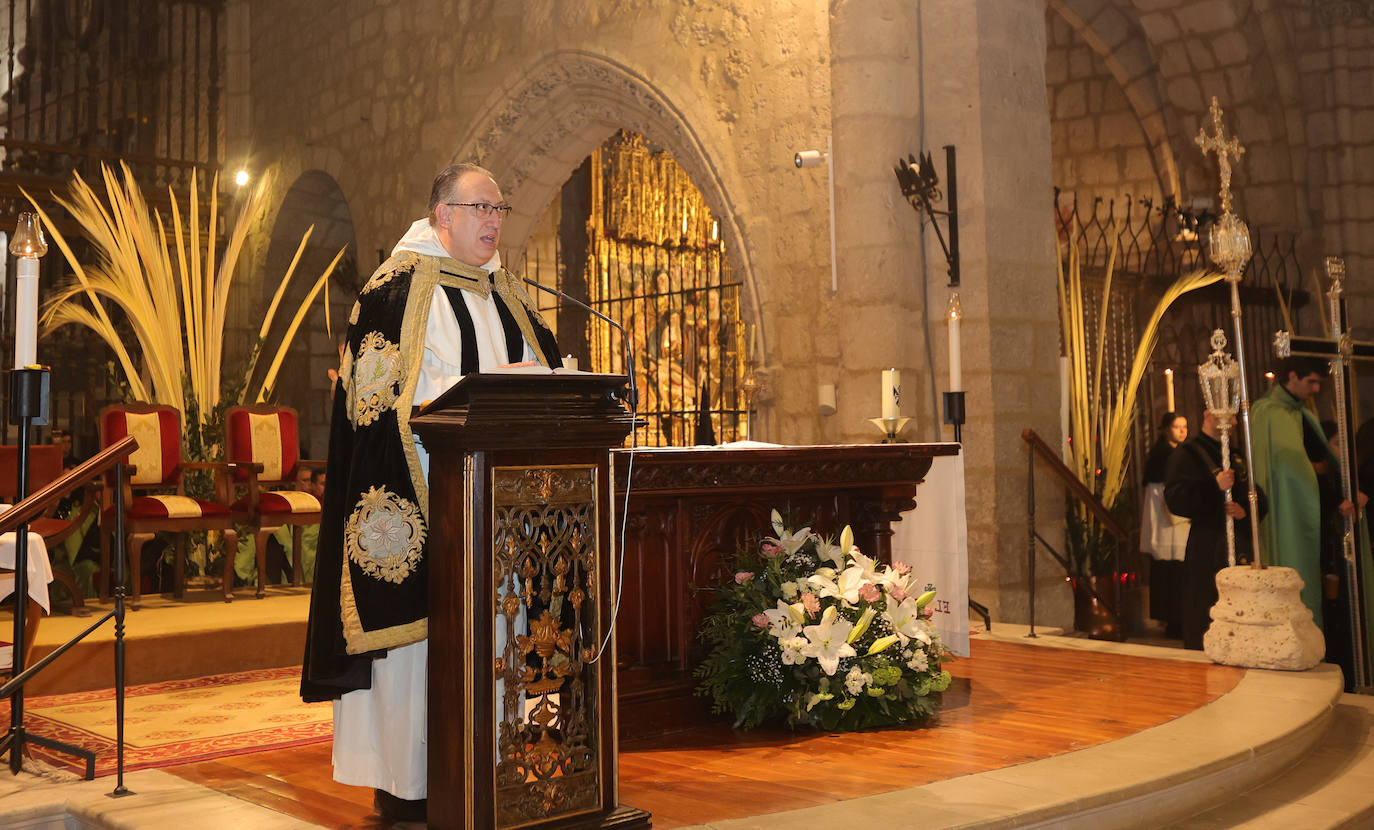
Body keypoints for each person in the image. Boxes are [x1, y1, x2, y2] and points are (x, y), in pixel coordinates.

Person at [301, 163, 561, 822]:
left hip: (498, 511)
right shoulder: (394, 289)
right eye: (481, 208)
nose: (494, 221)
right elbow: (382, 399)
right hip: (428, 502)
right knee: (417, 653)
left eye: (500, 208)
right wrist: (492, 382)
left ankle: (497, 765)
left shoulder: (501, 289)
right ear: (443, 214)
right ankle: (409, 784)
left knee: (504, 633)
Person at [1164, 410, 1264, 650]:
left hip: (1238, 543)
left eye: (1234, 417)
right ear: (1209, 415)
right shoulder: (1188, 454)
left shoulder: (1235, 454)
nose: (1235, 423)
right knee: (1205, 608)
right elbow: (1176, 499)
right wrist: (1214, 486)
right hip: (1207, 546)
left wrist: (1246, 512)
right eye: (1229, 417)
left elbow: (1257, 496)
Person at [1140, 412, 1189, 638]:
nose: (1182, 431)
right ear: (1167, 429)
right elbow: (1161, 490)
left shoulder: (1176, 453)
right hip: (1167, 519)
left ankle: (1176, 619)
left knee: (1175, 568)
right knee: (1169, 567)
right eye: (1177, 427)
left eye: (1185, 427)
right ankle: (1173, 620)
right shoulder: (1163, 454)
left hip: (1172, 518)